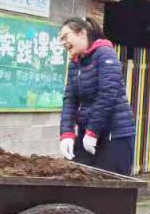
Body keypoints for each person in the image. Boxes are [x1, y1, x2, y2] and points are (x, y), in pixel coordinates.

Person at [58, 16, 136, 175]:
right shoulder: (75, 63)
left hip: (114, 135)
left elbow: (108, 93)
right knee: (81, 180)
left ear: (81, 33)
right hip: (88, 134)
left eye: (65, 37)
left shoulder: (105, 53)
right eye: (61, 39)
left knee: (112, 186)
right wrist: (66, 133)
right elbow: (70, 100)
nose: (63, 42)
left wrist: (92, 131)